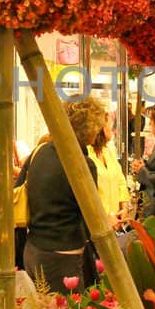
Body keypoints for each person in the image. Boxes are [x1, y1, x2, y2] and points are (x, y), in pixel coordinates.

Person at [24, 95, 106, 294]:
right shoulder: (81, 164)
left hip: (33, 247)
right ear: (90, 127)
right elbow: (92, 217)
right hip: (63, 254)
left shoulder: (41, 152)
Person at [88, 110, 129, 226]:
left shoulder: (108, 151)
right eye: (110, 126)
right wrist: (106, 217)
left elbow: (120, 180)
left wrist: (124, 207)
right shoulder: (86, 154)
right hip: (97, 223)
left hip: (115, 221)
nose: (113, 130)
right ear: (99, 129)